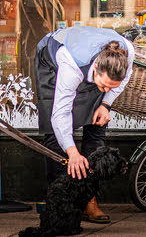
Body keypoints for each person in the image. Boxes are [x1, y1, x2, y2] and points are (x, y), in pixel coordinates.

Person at [34, 25, 134, 224]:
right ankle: (61, 201)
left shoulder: (126, 54)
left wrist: (106, 103)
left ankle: (89, 200)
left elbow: (120, 83)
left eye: (109, 87)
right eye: (104, 85)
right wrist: (72, 151)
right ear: (96, 69)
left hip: (92, 65)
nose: (106, 89)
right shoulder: (71, 63)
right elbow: (60, 113)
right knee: (56, 135)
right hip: (52, 63)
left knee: (97, 126)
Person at [17, 0, 68, 85]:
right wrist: (59, 44)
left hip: (47, 53)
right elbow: (39, 26)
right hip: (37, 54)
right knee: (37, 98)